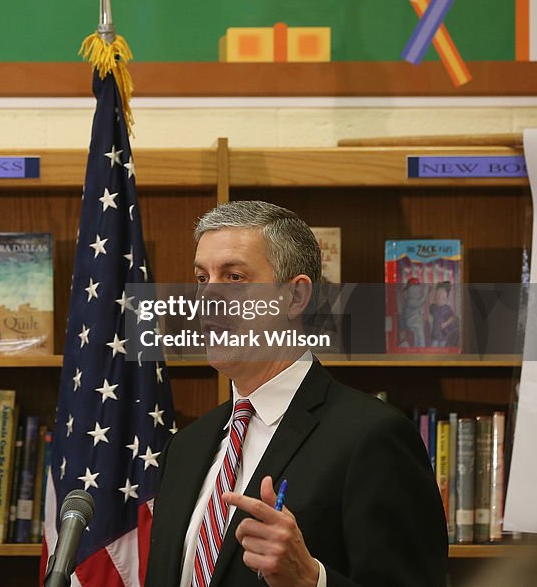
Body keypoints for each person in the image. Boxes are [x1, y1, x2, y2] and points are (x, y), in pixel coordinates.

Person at [145, 200, 447, 587]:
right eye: (202, 278)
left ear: (296, 297)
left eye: (234, 277)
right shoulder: (184, 448)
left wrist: (311, 578)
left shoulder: (373, 437)